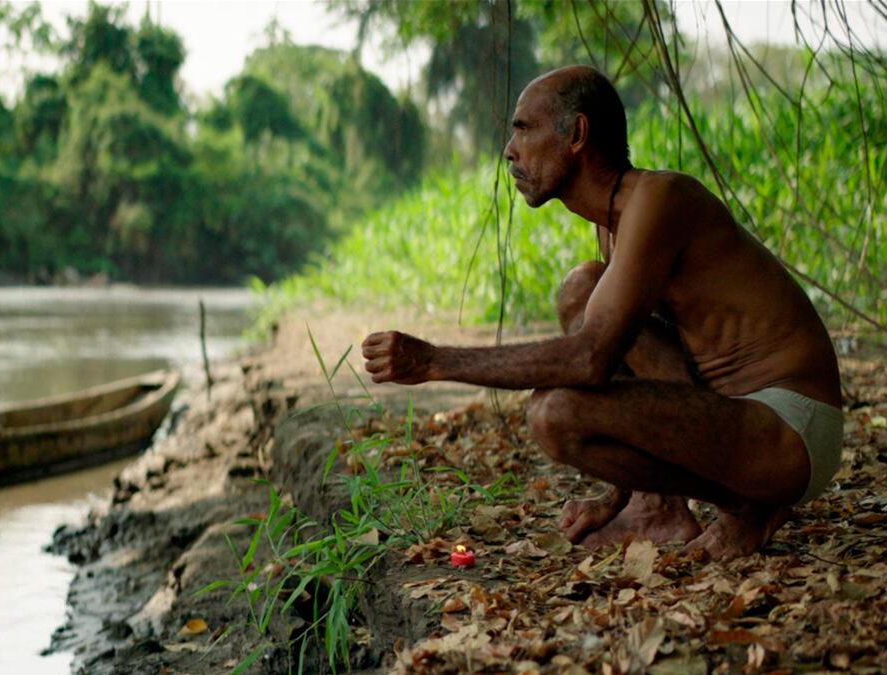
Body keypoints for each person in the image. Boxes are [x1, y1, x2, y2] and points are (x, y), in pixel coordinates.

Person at [360, 65, 843, 560]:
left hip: (790, 431)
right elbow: (615, 352)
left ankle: (749, 507)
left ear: (578, 135)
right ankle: (660, 511)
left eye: (525, 128)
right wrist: (617, 494)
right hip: (733, 415)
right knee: (583, 290)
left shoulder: (660, 199)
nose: (510, 150)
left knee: (555, 413)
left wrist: (435, 361)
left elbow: (590, 359)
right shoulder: (614, 222)